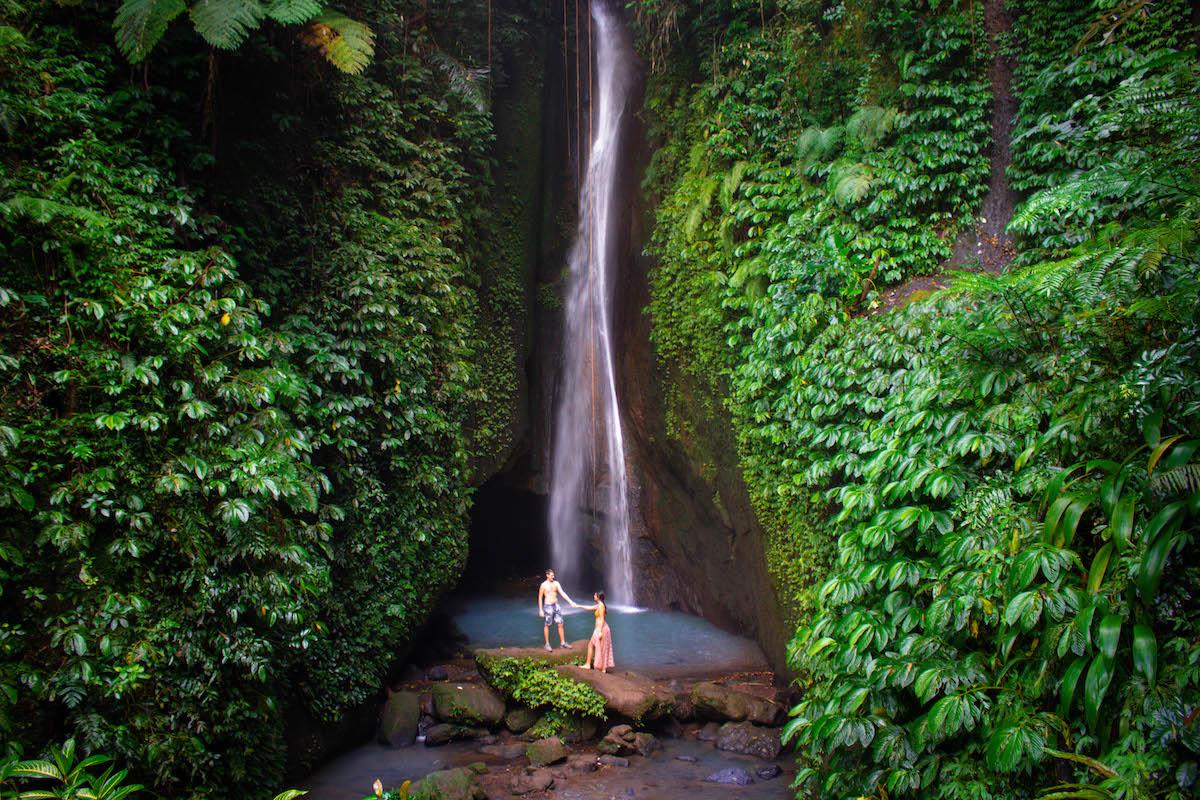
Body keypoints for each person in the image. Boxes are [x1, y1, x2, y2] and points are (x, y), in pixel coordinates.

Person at [537, 569, 577, 651]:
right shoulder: (543, 585)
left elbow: (562, 593)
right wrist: (540, 610)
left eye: (553, 575)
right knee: (547, 624)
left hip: (556, 606)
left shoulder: (556, 583)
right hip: (548, 606)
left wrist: (570, 602)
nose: (553, 577)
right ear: (547, 575)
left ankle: (562, 643)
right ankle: (547, 644)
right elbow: (540, 597)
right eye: (551, 575)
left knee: (560, 624)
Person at [577, 591, 615, 673]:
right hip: (598, 629)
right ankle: (592, 665)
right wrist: (578, 605)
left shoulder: (601, 606)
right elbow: (589, 608)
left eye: (595, 595)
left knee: (600, 647)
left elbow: (602, 619)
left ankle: (600, 668)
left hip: (601, 629)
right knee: (593, 645)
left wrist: (600, 631)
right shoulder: (599, 605)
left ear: (598, 597)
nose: (593, 596)